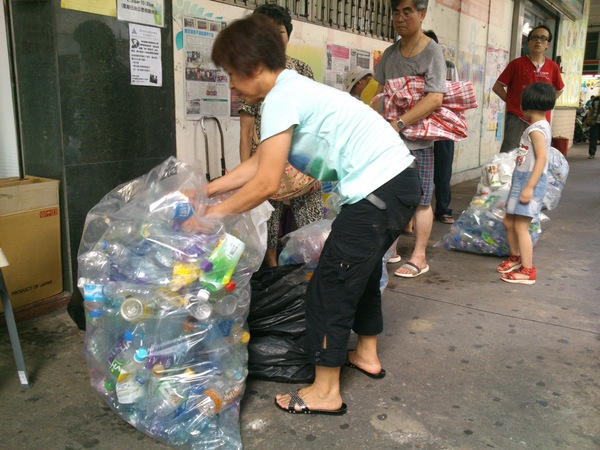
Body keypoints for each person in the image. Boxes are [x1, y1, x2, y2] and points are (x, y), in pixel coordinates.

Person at [209, 15, 421, 415]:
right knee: (359, 272)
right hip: (396, 185)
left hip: (378, 190)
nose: (232, 86)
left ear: (255, 66)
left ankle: (325, 391)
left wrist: (208, 216)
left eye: (232, 74)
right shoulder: (292, 88)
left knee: (330, 285)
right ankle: (367, 354)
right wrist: (208, 191)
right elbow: (260, 161)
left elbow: (266, 182)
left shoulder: (281, 97)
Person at [238, 4, 323, 268]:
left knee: (313, 228)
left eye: (280, 31)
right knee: (268, 231)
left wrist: (318, 170)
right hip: (266, 164)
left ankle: (312, 276)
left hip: (301, 165)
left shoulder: (302, 70)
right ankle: (274, 273)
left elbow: (314, 123)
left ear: (288, 34)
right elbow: (245, 132)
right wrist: (248, 175)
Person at [373, 0, 446, 277]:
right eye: (396, 12)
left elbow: (435, 97)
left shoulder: (432, 51)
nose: (400, 18)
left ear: (422, 14)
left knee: (422, 199)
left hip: (419, 141)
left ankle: (419, 257)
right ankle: (390, 250)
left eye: (407, 12)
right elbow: (379, 94)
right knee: (389, 196)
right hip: (390, 141)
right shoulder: (390, 54)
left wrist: (400, 123)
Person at [497, 82, 554, 285]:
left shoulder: (537, 130)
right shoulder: (539, 126)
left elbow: (541, 159)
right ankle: (516, 257)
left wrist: (529, 187)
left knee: (521, 226)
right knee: (509, 222)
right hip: (522, 179)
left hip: (529, 181)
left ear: (526, 105)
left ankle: (528, 270)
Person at [492, 24, 564, 153]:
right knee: (510, 152)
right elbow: (497, 87)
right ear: (528, 42)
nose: (538, 41)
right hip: (517, 118)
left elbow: (559, 90)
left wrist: (545, 104)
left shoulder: (553, 67)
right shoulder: (516, 64)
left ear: (547, 44)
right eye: (534, 37)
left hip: (541, 119)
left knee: (537, 153)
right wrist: (513, 103)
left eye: (543, 38)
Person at [423, 29, 457, 225]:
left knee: (443, 173)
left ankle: (443, 209)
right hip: (420, 131)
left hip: (443, 130)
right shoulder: (413, 67)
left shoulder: (448, 67)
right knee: (419, 174)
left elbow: (454, 95)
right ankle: (416, 212)